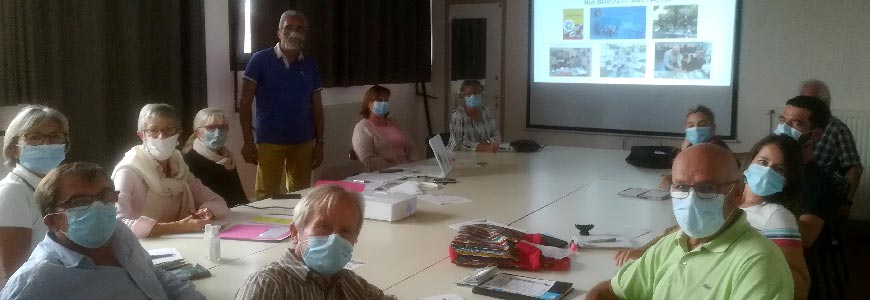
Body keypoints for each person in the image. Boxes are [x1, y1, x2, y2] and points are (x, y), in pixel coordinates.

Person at [588, 144, 793, 299]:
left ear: (738, 194)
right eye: (680, 187)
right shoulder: (673, 243)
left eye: (706, 189)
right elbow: (609, 292)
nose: (690, 199)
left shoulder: (759, 263)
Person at [0, 162, 204, 299]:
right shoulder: (35, 283)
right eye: (80, 202)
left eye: (105, 196)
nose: (98, 207)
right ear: (53, 221)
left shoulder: (119, 232)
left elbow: (152, 274)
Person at [235, 184, 396, 300]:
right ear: (295, 232)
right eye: (323, 227)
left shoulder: (347, 282)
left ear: (355, 239)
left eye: (345, 231)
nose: (334, 239)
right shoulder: (269, 285)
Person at [239, 10, 325, 200]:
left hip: (303, 141)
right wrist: (247, 141)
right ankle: (266, 230)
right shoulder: (259, 60)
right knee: (266, 196)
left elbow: (317, 107)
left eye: (299, 28)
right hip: (269, 140)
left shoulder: (310, 65)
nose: (293, 32)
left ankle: (295, 230)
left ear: (305, 34)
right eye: (288, 28)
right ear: (279, 32)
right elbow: (245, 103)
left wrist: (319, 142)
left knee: (301, 195)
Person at [113, 104, 229, 238]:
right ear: (141, 135)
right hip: (140, 248)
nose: (162, 136)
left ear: (178, 133)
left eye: (169, 130)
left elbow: (219, 203)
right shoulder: (129, 170)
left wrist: (207, 211)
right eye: (153, 130)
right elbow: (116, 224)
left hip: (176, 244)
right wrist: (177, 227)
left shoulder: (179, 168)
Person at [0, 105, 69, 287]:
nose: (46, 144)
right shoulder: (12, 192)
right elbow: (15, 276)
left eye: (55, 136)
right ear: (15, 149)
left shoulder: (60, 186)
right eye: (34, 138)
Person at [777, 96, 840, 248]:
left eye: (796, 123)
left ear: (816, 134)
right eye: (782, 120)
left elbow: (806, 238)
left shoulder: (818, 183)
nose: (784, 128)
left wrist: (764, 204)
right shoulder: (771, 169)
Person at [799, 79, 863, 205]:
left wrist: (847, 203)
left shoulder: (837, 129)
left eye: (809, 100)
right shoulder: (795, 124)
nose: (803, 104)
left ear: (824, 104)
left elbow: (854, 168)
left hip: (817, 191)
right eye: (802, 99)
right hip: (793, 184)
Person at [182, 108, 249, 207]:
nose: (218, 133)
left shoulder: (228, 157)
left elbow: (239, 196)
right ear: (197, 132)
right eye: (211, 128)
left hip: (234, 213)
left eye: (222, 127)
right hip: (210, 215)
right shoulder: (189, 160)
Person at [351, 85, 415, 172]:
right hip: (386, 173)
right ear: (369, 104)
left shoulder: (394, 122)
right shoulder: (362, 128)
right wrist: (398, 168)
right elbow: (368, 160)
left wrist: (414, 164)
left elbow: (411, 147)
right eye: (379, 100)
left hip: (409, 169)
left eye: (386, 100)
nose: (383, 103)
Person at [447, 79, 500, 152]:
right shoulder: (458, 115)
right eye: (469, 94)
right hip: (459, 157)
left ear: (481, 95)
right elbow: (459, 143)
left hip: (483, 155)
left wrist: (489, 144)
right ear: (463, 96)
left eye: (476, 93)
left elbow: (496, 136)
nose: (472, 96)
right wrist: (482, 147)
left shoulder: (487, 112)